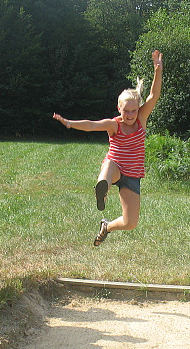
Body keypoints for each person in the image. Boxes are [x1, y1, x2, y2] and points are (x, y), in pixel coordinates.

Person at [53, 50, 163, 246]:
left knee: (130, 223)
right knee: (109, 165)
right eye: (126, 110)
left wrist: (158, 69)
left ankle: (107, 226)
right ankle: (101, 191)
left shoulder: (141, 119)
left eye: (134, 110)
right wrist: (70, 123)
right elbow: (92, 125)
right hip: (116, 168)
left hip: (132, 175)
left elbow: (154, 95)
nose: (130, 115)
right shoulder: (114, 124)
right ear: (119, 108)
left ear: (138, 108)